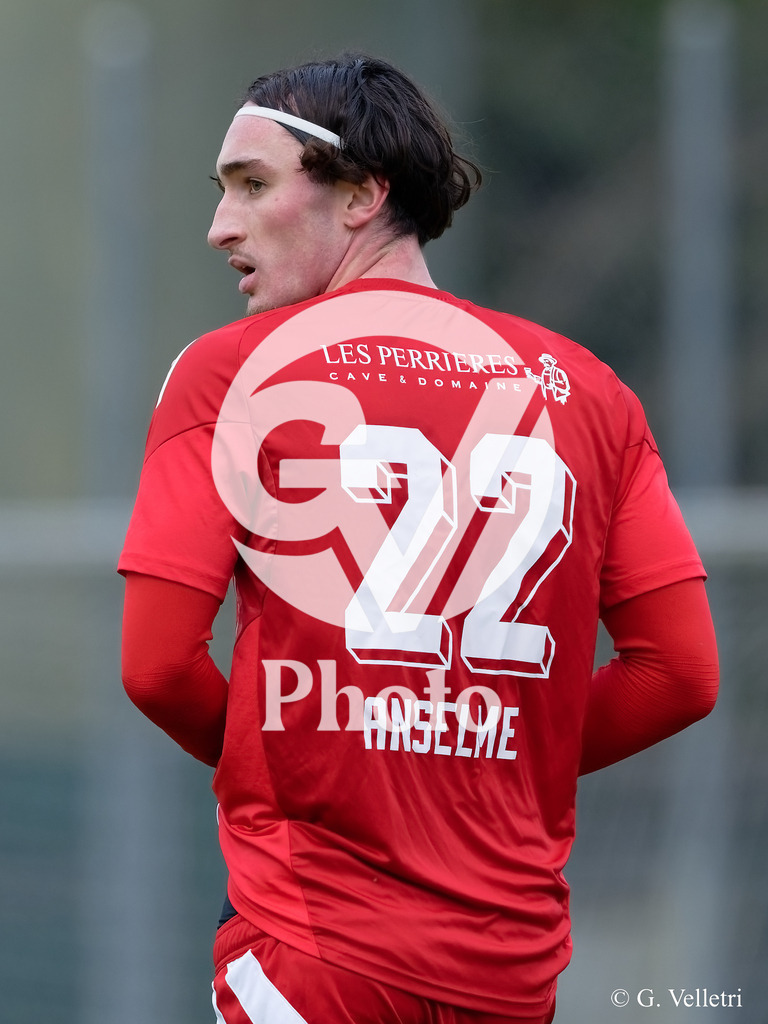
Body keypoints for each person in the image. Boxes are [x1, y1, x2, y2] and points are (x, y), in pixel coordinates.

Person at [118, 52, 719, 1024]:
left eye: (253, 185)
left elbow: (155, 665)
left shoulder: (235, 371)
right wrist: (470, 762)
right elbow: (680, 674)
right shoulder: (590, 389)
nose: (219, 225)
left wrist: (318, 771)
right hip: (509, 970)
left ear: (361, 194)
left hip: (315, 948)